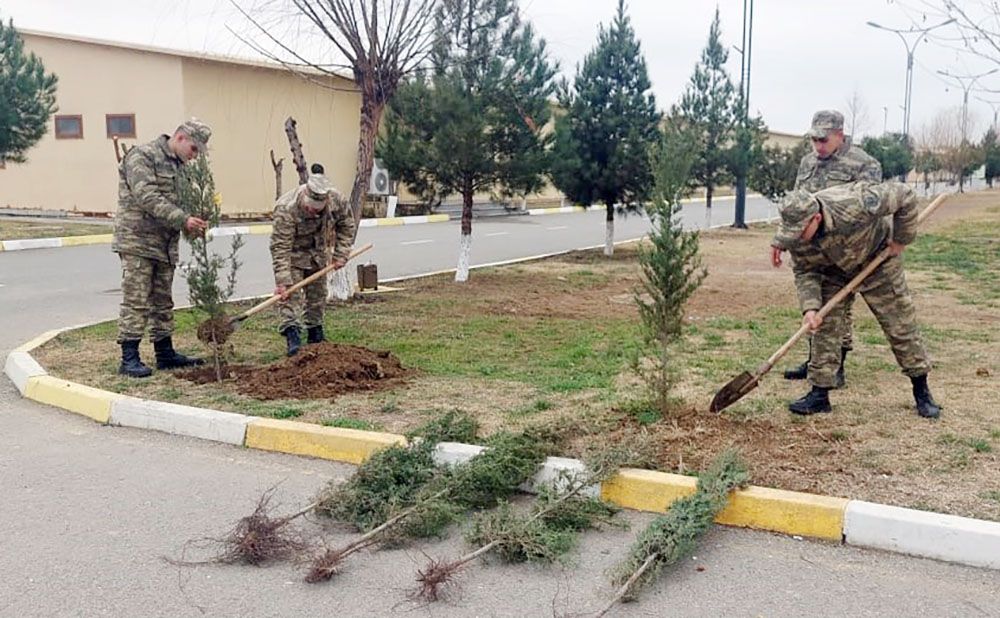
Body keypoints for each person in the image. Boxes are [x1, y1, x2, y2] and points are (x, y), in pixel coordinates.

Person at [770, 181, 941, 419]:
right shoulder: (797, 237)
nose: (796, 237)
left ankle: (921, 391)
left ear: (816, 218)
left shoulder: (856, 202)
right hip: (833, 271)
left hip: (878, 262)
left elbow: (905, 195)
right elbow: (804, 272)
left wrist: (902, 239)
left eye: (800, 230)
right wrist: (810, 308)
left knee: (900, 325)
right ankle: (819, 394)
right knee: (824, 328)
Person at [779, 109, 883, 388]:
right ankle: (816, 361)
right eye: (814, 140)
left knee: (839, 308)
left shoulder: (864, 164)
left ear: (840, 135)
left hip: (847, 249)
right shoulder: (807, 162)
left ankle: (837, 366)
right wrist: (785, 238)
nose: (818, 146)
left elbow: (870, 209)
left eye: (823, 140)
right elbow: (797, 203)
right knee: (816, 306)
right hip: (815, 245)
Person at [112, 119, 212, 378]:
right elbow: (147, 196)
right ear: (180, 138)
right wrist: (183, 219)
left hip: (165, 243)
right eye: (193, 149)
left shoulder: (180, 167)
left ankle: (165, 353)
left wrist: (195, 218)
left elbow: (180, 200)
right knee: (137, 299)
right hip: (138, 240)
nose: (195, 156)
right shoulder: (143, 156)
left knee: (162, 301)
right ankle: (129, 356)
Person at [270, 173, 356, 356]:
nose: (312, 212)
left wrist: (341, 253)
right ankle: (292, 336)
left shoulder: (337, 201)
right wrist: (282, 280)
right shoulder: (286, 208)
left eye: (317, 209)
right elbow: (280, 247)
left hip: (317, 254)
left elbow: (347, 225)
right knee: (290, 296)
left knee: (318, 296)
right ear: (304, 196)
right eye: (309, 208)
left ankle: (315, 333)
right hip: (292, 255)